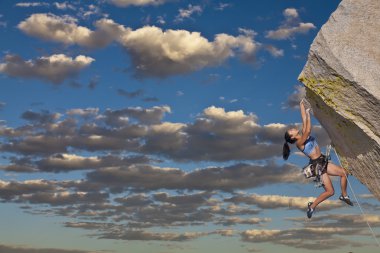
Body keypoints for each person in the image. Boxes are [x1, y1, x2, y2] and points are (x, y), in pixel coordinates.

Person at [282, 99, 353, 218]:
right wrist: (309, 114)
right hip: (318, 167)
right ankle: (312, 206)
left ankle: (344, 195)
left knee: (344, 173)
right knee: (330, 192)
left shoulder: (303, 133)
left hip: (322, 160)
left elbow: (304, 120)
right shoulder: (300, 143)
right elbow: (308, 127)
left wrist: (301, 105)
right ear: (293, 137)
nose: (293, 128)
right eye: (291, 131)